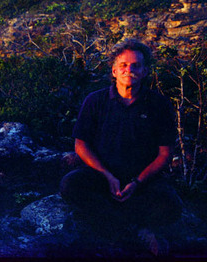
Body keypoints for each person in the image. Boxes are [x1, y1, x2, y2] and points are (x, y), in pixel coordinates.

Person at [59, 38, 183, 256]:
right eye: (124, 65)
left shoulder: (158, 104)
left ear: (145, 71)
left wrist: (137, 182)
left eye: (136, 65)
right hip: (102, 175)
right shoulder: (95, 101)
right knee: (70, 185)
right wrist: (107, 176)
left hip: (143, 179)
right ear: (114, 71)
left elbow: (165, 154)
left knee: (171, 205)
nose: (129, 70)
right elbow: (81, 144)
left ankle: (118, 227)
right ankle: (135, 230)